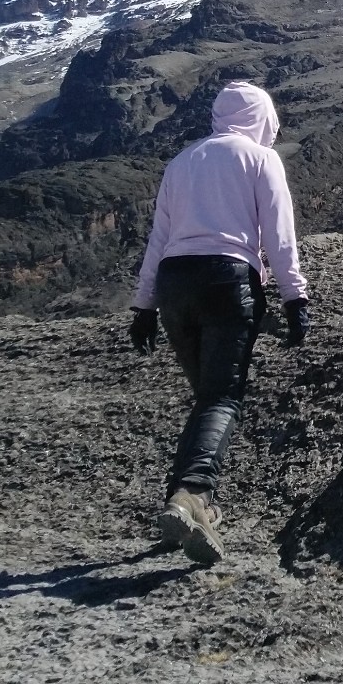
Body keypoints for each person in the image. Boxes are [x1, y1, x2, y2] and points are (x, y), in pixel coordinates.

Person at [128, 80, 309, 564]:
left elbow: (159, 237)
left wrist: (144, 307)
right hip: (227, 280)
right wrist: (295, 298)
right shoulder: (259, 158)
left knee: (206, 398)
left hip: (173, 284)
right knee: (222, 398)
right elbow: (279, 233)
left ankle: (187, 506)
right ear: (262, 117)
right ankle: (192, 496)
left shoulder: (182, 162)